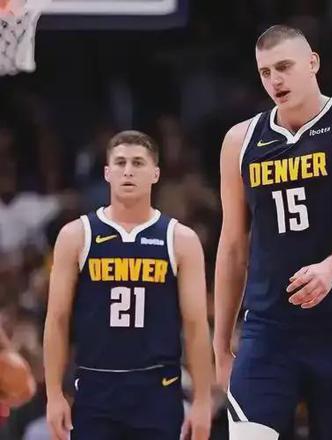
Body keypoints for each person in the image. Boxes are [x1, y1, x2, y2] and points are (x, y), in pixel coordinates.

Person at [213, 25, 332, 439]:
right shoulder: (240, 140)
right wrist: (221, 344)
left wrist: (330, 269)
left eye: (284, 67)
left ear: (312, 63)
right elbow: (233, 247)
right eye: (265, 72)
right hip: (270, 328)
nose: (275, 81)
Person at [43, 130, 213, 440]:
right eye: (120, 163)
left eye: (138, 162)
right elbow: (57, 319)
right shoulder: (76, 235)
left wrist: (202, 400)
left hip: (157, 388)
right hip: (95, 386)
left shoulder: (180, 239)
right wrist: (54, 394)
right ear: (107, 173)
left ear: (155, 173)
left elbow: (196, 325)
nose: (128, 171)